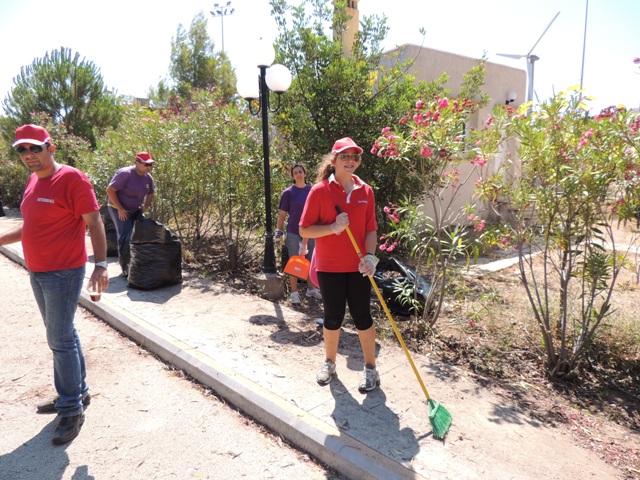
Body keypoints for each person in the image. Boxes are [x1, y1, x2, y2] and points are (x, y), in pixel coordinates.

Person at [0, 124, 109, 445]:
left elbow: (95, 222)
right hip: (38, 269)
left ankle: (71, 409)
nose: (29, 155)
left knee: (59, 339)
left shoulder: (72, 179)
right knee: (65, 336)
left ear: (51, 147)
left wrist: (101, 265)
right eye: (22, 149)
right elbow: (30, 228)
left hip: (64, 271)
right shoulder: (33, 181)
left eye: (35, 148)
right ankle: (78, 393)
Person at [299, 137, 380, 393]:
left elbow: (371, 230)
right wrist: (333, 228)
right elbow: (304, 229)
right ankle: (329, 363)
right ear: (333, 160)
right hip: (329, 267)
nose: (351, 161)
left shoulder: (365, 191)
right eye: (345, 156)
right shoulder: (319, 191)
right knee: (332, 317)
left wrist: (370, 257)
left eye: (355, 157)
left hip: (359, 268)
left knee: (362, 317)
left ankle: (370, 369)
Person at [275, 164, 322, 304]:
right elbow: (282, 215)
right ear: (293, 176)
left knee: (310, 261)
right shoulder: (288, 192)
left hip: (311, 231)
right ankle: (294, 293)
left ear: (305, 174)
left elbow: (318, 211)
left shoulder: (312, 190)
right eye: (295, 173)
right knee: (294, 261)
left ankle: (311, 289)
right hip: (294, 232)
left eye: (300, 172)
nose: (298, 174)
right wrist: (278, 232)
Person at [106, 152, 156, 277]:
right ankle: (126, 269)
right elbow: (110, 190)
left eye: (150, 165)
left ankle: (138, 264)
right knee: (125, 237)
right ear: (137, 162)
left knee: (141, 234)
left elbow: (151, 192)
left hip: (135, 209)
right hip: (118, 208)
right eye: (146, 164)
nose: (148, 167)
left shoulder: (148, 177)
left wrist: (144, 207)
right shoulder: (125, 174)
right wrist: (120, 209)